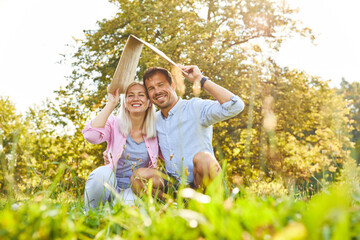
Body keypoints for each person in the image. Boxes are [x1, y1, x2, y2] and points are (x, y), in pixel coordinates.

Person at [129, 65, 245, 199]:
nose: (157, 91)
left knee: (204, 158)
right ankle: (172, 207)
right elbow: (129, 135)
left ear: (172, 85)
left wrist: (200, 79)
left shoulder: (195, 107)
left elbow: (235, 106)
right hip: (175, 184)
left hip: (202, 180)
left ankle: (210, 205)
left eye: (161, 85)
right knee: (138, 176)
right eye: (151, 88)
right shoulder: (153, 120)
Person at [82, 82, 160, 209]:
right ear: (125, 102)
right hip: (110, 182)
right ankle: (91, 215)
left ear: (149, 102)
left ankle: (113, 212)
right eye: (130, 95)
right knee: (100, 174)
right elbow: (90, 136)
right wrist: (111, 103)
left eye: (141, 95)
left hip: (134, 188)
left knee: (126, 209)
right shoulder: (114, 123)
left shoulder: (156, 129)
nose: (135, 98)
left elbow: (170, 152)